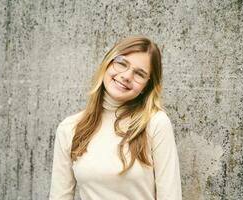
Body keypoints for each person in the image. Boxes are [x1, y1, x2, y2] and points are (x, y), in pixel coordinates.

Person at [49, 35, 182, 200]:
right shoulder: (70, 128)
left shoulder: (156, 123)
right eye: (121, 63)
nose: (126, 76)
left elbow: (170, 195)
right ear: (107, 63)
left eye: (139, 74)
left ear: (146, 86)